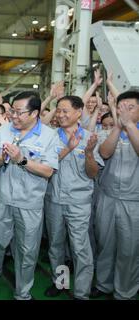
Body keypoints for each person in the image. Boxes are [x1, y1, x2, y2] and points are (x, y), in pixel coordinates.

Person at [0, 91, 59, 300]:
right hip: (3, 197)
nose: (13, 116)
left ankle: (22, 292)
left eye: (19, 112)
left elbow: (48, 171)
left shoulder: (49, 135)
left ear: (34, 113)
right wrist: (2, 158)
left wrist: (22, 159)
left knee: (27, 250)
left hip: (30, 202)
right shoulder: (4, 130)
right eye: (12, 111)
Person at [43, 95, 104, 300]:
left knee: (80, 248)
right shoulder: (50, 136)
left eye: (65, 111)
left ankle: (81, 293)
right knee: (56, 245)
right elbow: (47, 166)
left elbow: (93, 173)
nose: (60, 114)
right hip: (54, 200)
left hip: (79, 203)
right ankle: (60, 283)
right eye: (58, 110)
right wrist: (68, 147)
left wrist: (88, 153)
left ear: (79, 113)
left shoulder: (90, 138)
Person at [92, 91, 139, 300]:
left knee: (129, 250)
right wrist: (119, 126)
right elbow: (104, 153)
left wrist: (129, 126)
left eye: (131, 107)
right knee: (105, 244)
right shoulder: (110, 131)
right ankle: (103, 284)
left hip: (133, 201)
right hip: (108, 198)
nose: (125, 112)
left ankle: (125, 291)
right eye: (122, 107)